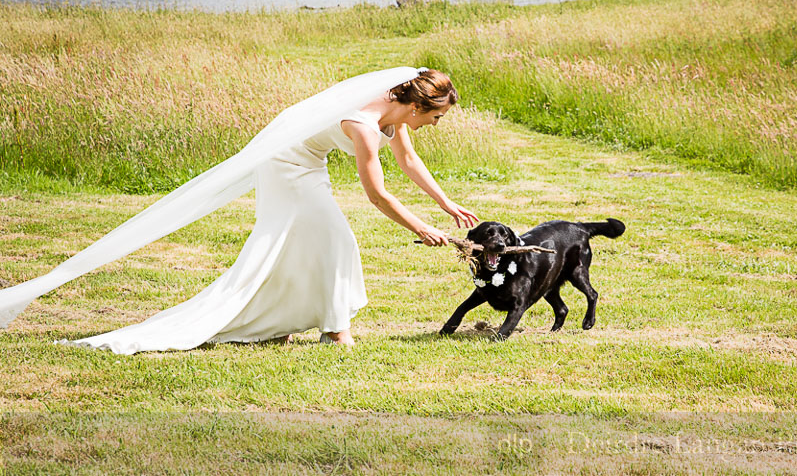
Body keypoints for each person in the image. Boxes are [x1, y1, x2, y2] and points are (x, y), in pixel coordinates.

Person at [5, 68, 477, 353]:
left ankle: (281, 323)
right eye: (437, 116)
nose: (436, 124)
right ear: (417, 106)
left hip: (309, 163)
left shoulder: (397, 116)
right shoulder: (365, 124)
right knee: (336, 238)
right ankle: (336, 331)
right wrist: (422, 227)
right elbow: (377, 196)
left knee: (301, 247)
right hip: (285, 163)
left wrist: (445, 203)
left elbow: (409, 161)